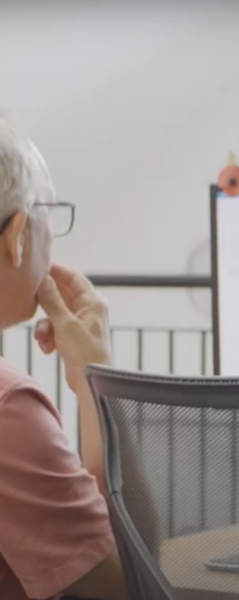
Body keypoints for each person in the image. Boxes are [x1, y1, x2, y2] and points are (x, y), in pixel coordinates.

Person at [0, 118, 127, 599]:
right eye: (48, 214)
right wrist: (98, 384)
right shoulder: (7, 409)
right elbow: (124, 585)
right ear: (17, 235)